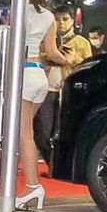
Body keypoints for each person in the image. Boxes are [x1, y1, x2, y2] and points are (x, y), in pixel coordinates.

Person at [9, 0, 66, 212]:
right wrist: (66, 61)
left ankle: (32, 186)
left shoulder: (18, 11)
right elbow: (52, 53)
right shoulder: (49, 16)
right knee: (25, 132)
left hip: (21, 74)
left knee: (22, 133)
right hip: (39, 75)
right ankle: (28, 186)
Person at [35, 9, 92, 166]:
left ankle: (60, 165)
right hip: (46, 89)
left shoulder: (81, 42)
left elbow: (88, 66)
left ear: (72, 21)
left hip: (68, 91)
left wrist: (72, 59)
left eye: (65, 19)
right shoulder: (45, 40)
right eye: (57, 19)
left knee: (64, 130)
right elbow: (36, 58)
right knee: (43, 131)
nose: (61, 23)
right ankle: (51, 162)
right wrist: (50, 56)